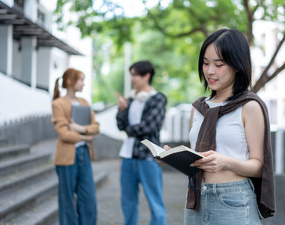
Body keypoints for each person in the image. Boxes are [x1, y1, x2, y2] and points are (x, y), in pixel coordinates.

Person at [166, 28, 275, 224]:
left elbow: (259, 166)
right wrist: (176, 157)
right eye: (206, 63)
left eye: (219, 64)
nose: (210, 71)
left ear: (237, 65)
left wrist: (225, 162)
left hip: (232, 200)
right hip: (196, 197)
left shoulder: (249, 106)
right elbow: (198, 160)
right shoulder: (199, 108)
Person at [116, 60, 167, 225]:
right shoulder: (130, 99)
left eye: (135, 75)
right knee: (128, 203)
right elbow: (120, 125)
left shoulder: (158, 98)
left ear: (147, 76)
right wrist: (121, 110)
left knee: (155, 202)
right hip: (127, 156)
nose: (132, 79)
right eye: (131, 75)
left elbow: (150, 126)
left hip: (148, 157)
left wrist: (129, 129)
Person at [51, 68, 99, 225]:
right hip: (66, 158)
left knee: (89, 200)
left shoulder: (84, 102)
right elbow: (63, 133)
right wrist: (87, 137)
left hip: (84, 154)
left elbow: (96, 127)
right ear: (70, 81)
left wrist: (80, 128)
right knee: (67, 202)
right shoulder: (58, 104)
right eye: (80, 80)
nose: (83, 83)